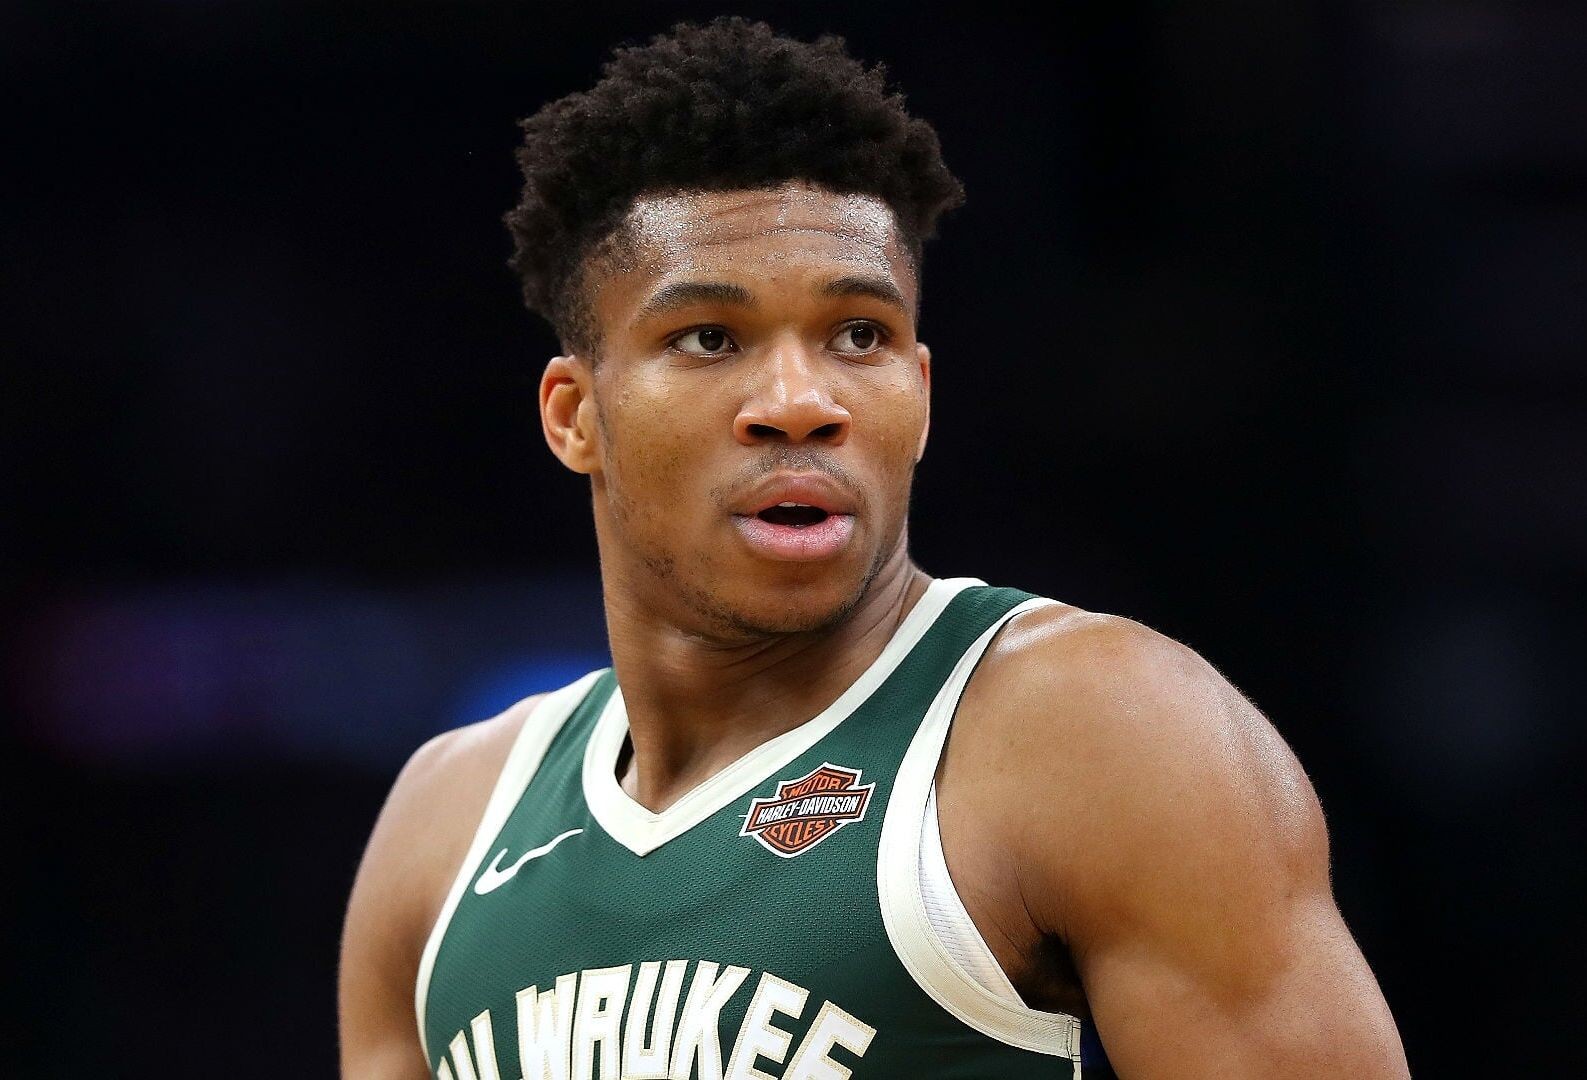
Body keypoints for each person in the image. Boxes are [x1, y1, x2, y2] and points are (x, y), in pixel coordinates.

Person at [339, 17, 1409, 1079]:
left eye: (859, 335)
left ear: (922, 394)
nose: (799, 402)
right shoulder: (449, 824)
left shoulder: (1098, 730)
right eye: (709, 338)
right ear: (575, 416)